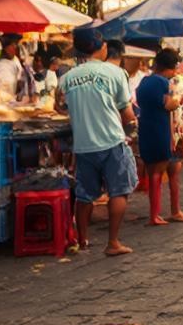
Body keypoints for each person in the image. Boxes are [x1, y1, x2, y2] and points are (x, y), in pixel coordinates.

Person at [58, 24, 138, 256]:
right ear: (101, 47)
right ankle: (113, 242)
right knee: (118, 191)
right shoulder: (115, 73)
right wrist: (132, 125)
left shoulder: (67, 77)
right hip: (112, 141)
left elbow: (60, 106)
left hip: (83, 145)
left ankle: (82, 241)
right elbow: (127, 113)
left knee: (84, 195)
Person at [136, 47, 183, 226]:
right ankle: (156, 215)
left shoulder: (144, 82)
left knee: (169, 169)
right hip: (161, 130)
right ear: (169, 68)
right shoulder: (161, 82)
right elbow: (169, 104)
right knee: (158, 172)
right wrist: (178, 100)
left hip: (148, 128)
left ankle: (171, 211)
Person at [0, 33, 33, 99]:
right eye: (13, 45)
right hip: (2, 100)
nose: (16, 47)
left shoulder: (15, 60)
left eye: (16, 45)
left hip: (11, 99)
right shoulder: (2, 65)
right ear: (6, 48)